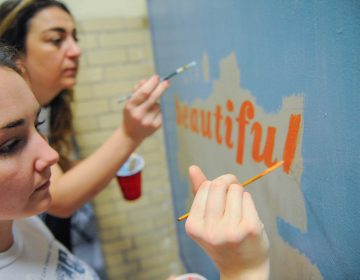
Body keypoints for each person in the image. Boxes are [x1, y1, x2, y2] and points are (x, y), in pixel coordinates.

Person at [0, 43, 269, 279]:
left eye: (39, 124)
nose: (51, 156)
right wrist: (244, 271)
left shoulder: (19, 223)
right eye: (9, 144)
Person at [0, 0, 169, 277]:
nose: (76, 51)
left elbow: (59, 170)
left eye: (75, 38)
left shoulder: (53, 106)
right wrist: (129, 135)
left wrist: (110, 163)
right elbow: (61, 194)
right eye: (56, 40)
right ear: (15, 55)